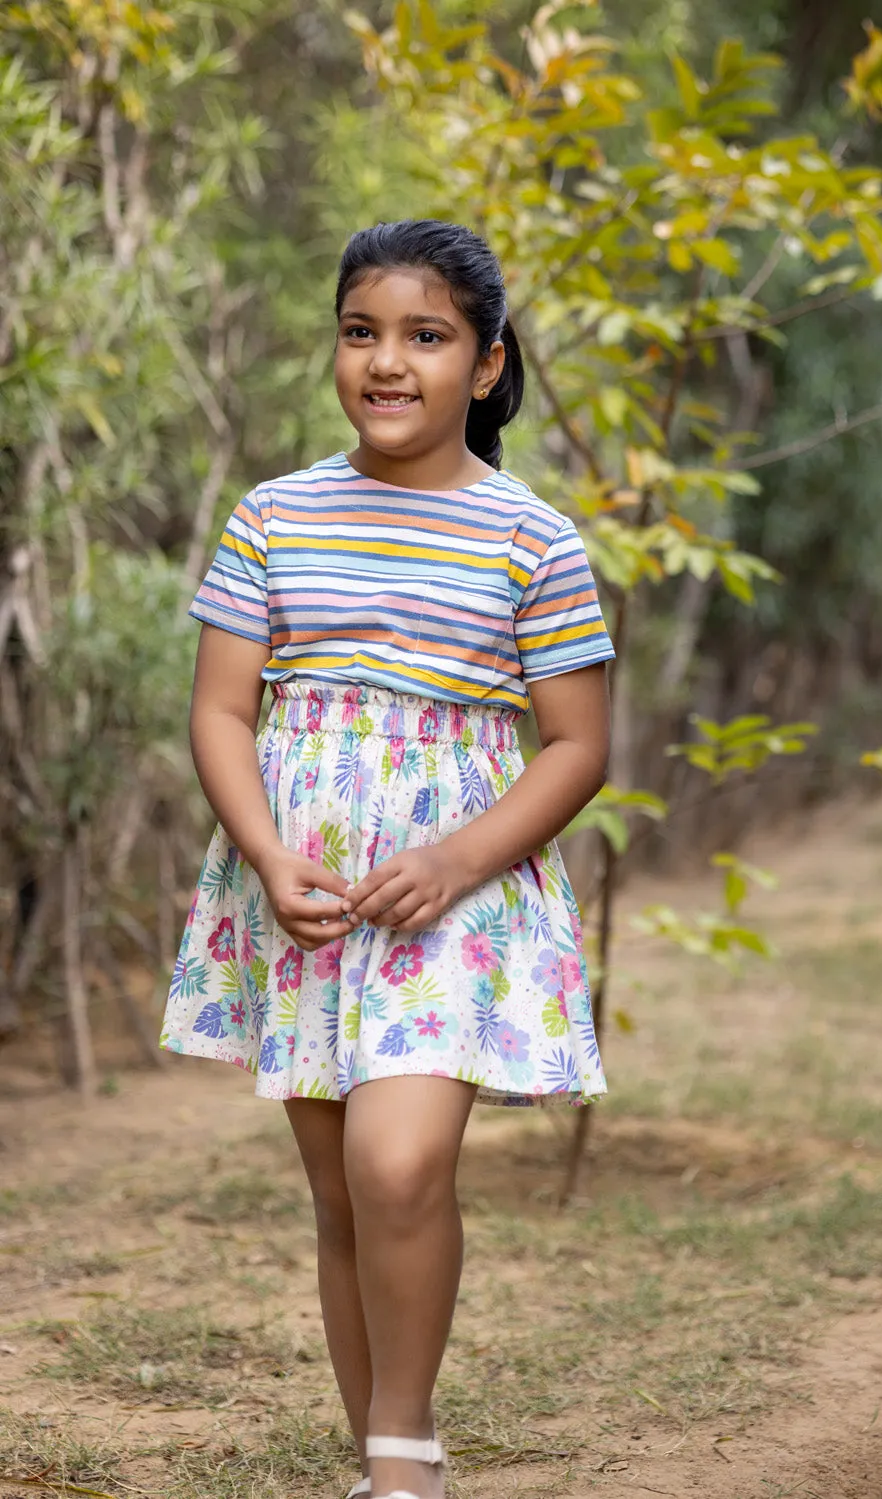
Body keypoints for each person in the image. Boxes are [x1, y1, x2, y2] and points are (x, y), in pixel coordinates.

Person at [160, 219, 615, 1499]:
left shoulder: (533, 539)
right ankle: (383, 1459)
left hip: (450, 891)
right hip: (305, 887)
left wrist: (457, 857)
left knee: (398, 1161)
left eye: (426, 336)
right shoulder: (274, 515)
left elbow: (575, 747)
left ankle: (404, 1458)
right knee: (344, 1194)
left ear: (484, 363)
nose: (388, 361)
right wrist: (264, 853)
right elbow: (219, 710)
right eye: (362, 332)